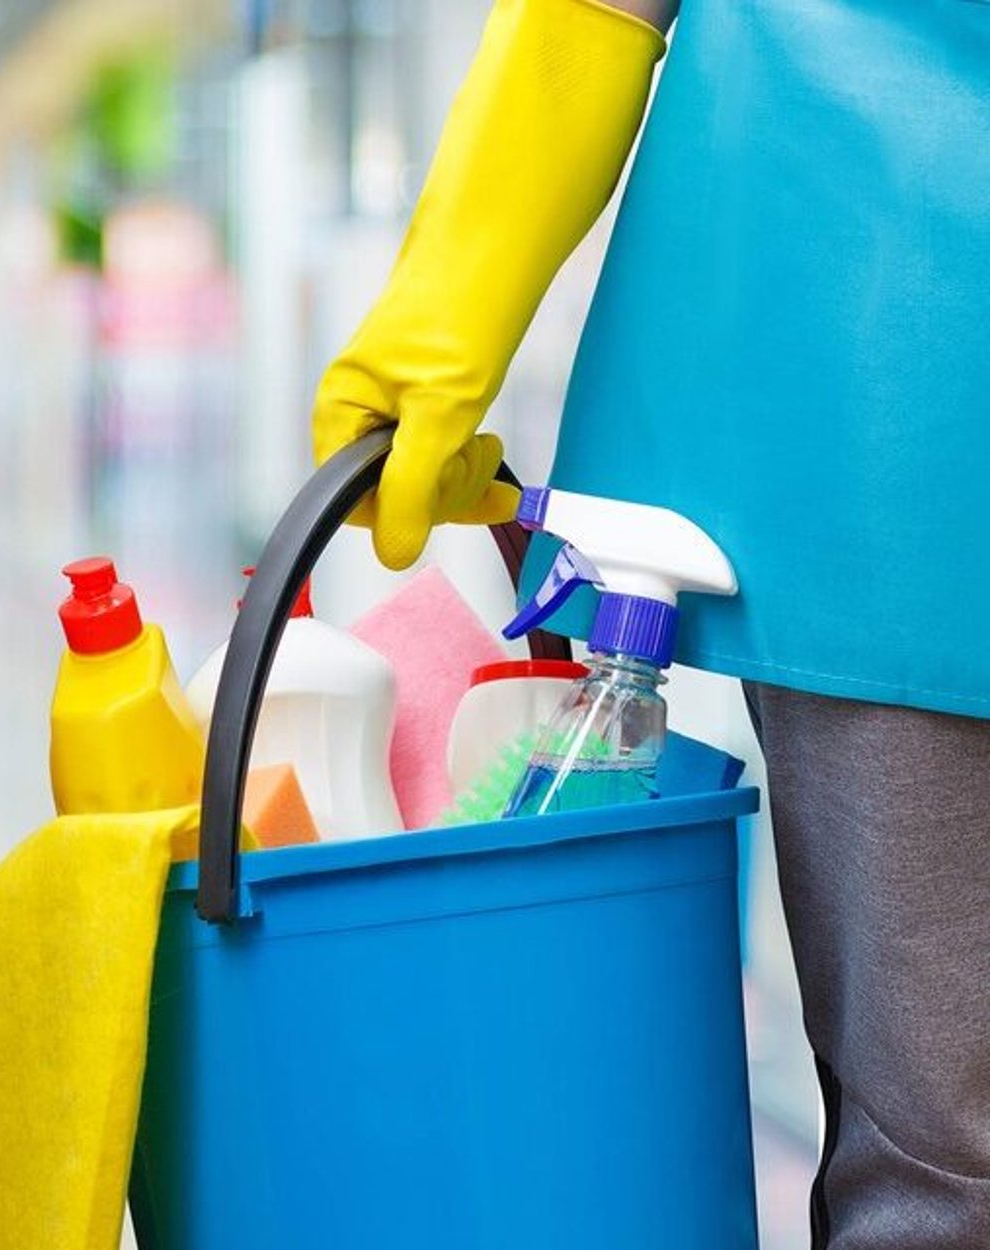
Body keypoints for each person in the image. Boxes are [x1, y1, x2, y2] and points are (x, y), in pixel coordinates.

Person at [309, 0, 990, 1245]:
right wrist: (452, 301)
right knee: (950, 1150)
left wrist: (455, 294)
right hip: (890, 377)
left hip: (869, 349)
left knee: (949, 1164)